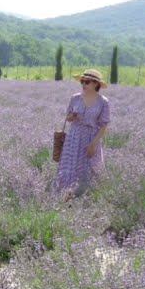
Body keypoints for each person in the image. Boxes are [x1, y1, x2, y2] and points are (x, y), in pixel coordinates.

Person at [57, 69, 110, 198]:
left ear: (95, 84)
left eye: (87, 82)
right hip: (74, 137)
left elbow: (104, 126)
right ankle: (66, 196)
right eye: (82, 82)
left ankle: (89, 197)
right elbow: (67, 117)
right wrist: (72, 116)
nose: (83, 85)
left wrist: (94, 144)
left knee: (91, 169)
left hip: (92, 138)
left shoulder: (103, 102)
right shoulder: (75, 98)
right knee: (70, 166)